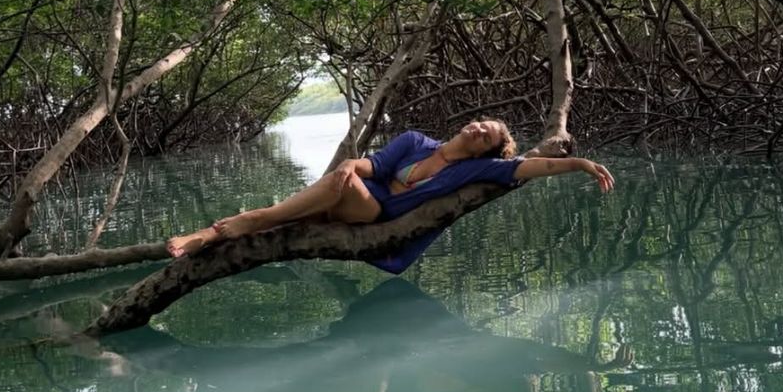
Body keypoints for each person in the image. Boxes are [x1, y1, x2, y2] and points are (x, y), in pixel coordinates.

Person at [166, 117, 614, 271]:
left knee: (330, 189)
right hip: (355, 193)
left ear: (487, 150)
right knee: (335, 182)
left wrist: (579, 163)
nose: (478, 130)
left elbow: (530, 166)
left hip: (376, 211)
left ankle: (236, 224)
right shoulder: (416, 141)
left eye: (487, 136)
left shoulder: (476, 170)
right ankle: (212, 234)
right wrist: (348, 163)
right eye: (481, 124)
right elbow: (374, 165)